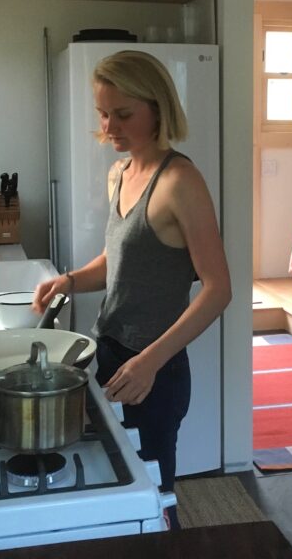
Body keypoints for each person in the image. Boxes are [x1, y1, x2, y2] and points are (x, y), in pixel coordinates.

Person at [33, 49, 231, 529]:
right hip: (108, 352)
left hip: (155, 371)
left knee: (155, 499)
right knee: (114, 490)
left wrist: (150, 361)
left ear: (157, 108)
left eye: (123, 114)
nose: (109, 127)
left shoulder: (181, 181)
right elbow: (119, 261)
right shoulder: (119, 174)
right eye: (103, 113)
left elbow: (218, 289)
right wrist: (70, 281)